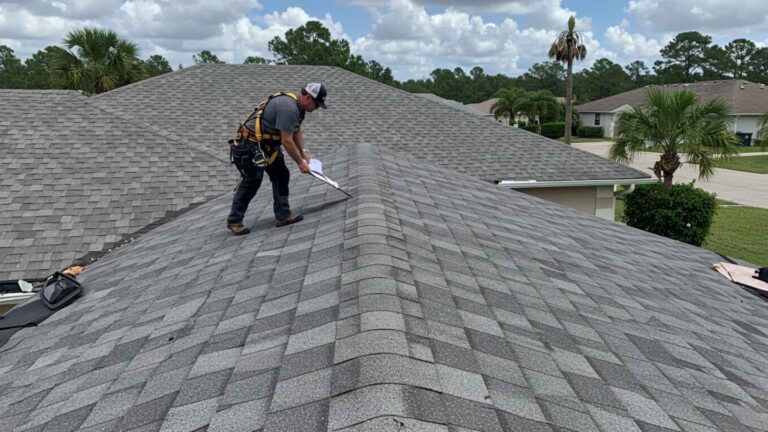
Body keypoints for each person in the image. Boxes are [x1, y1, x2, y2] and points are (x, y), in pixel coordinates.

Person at [226, 83, 328, 235]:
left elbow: (296, 130)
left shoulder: (298, 108)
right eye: (317, 104)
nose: (317, 108)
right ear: (307, 97)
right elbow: (287, 141)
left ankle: (283, 215)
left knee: (281, 174)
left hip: (266, 147)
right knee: (252, 180)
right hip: (248, 146)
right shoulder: (289, 108)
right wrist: (300, 163)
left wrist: (303, 152)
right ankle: (234, 220)